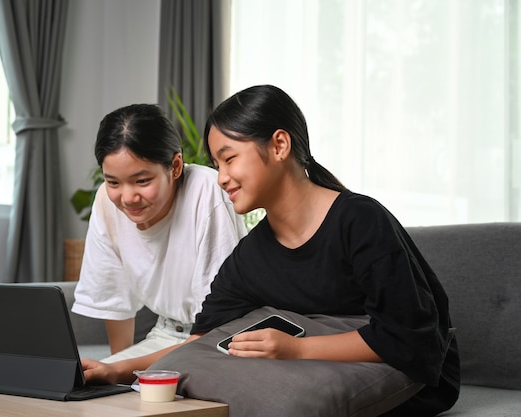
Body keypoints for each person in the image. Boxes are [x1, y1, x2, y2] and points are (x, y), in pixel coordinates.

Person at [80, 86, 459, 416]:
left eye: (229, 159)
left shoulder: (359, 220)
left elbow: (410, 336)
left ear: (279, 145)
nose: (221, 176)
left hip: (410, 379)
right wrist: (117, 370)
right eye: (216, 163)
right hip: (305, 369)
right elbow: (200, 343)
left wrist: (296, 349)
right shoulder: (252, 255)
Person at [72, 103, 247, 363]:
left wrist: (122, 371)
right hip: (165, 334)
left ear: (175, 166)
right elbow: (114, 299)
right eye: (113, 182)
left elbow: (217, 321)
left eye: (142, 181)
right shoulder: (106, 203)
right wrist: (113, 373)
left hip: (218, 338)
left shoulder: (207, 192)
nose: (128, 197)